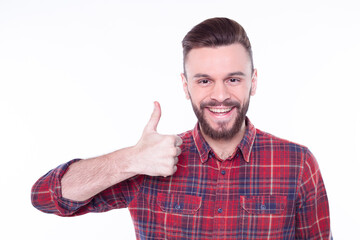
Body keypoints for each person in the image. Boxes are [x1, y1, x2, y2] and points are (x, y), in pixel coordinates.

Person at [31, 17, 332, 239]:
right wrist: (130, 160)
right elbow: (46, 197)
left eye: (233, 79)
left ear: (253, 82)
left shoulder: (297, 163)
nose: (220, 95)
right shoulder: (149, 164)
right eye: (204, 80)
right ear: (186, 86)